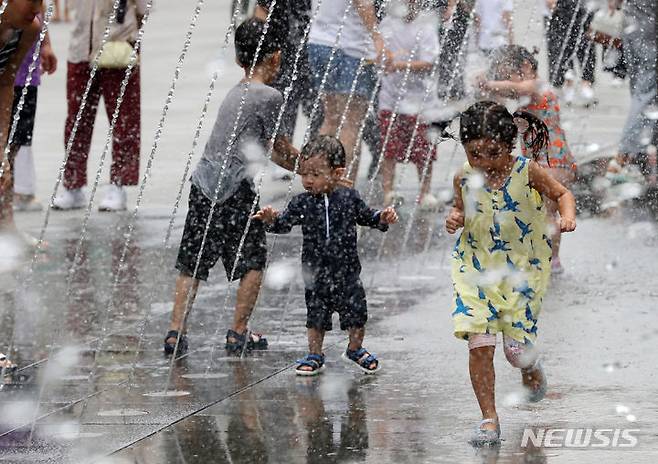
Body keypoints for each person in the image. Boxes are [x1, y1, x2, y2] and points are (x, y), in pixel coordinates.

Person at [164, 18, 299, 356]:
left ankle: (175, 331)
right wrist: (313, 169)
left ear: (239, 60)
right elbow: (279, 149)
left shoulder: (235, 91)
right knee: (254, 258)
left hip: (203, 182)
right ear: (276, 57)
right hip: (235, 187)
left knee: (192, 260)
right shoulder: (269, 95)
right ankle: (238, 331)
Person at [445, 101, 576, 446]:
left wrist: (566, 216)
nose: (485, 163)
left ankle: (530, 367)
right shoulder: (463, 176)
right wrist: (454, 218)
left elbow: (562, 194)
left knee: (515, 352)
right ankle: (489, 418)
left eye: (493, 153)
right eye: (475, 154)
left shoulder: (527, 170)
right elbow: (459, 208)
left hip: (523, 272)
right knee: (479, 344)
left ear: (509, 145)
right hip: (475, 269)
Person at [254, 135, 398, 376]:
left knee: (356, 314)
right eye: (304, 174)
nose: (308, 180)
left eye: (316, 174)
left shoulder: (349, 198)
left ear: (338, 173)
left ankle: (355, 348)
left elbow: (367, 216)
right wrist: (271, 221)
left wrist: (381, 218)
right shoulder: (301, 203)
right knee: (316, 316)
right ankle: (315, 353)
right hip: (316, 273)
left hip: (348, 273)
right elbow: (284, 224)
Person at [479, 45, 576, 274]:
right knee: (540, 212)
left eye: (507, 75)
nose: (505, 81)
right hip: (548, 160)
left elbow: (521, 87)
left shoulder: (538, 86)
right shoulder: (527, 95)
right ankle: (548, 260)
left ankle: (550, 261)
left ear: (525, 68)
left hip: (552, 161)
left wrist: (490, 84)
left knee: (547, 212)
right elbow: (503, 97)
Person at [53, 0, 146, 212]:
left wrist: (132, 36)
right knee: (76, 120)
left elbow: (143, 8)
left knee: (124, 120)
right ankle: (73, 185)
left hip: (118, 46)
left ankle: (119, 184)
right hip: (80, 48)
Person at [307, 0, 391, 181]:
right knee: (351, 124)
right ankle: (343, 190)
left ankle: (318, 182)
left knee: (331, 119)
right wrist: (377, 38)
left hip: (319, 43)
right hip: (350, 48)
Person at [378, 0, 441, 209]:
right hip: (390, 98)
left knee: (424, 151)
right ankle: (389, 192)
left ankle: (425, 193)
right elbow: (377, 55)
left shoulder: (426, 26)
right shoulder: (387, 24)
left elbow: (429, 63)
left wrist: (398, 63)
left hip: (421, 101)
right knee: (389, 150)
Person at [0, 1, 54, 235]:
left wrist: (0, 150)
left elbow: (4, 85)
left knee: (8, 158)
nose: (38, 8)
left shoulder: (29, 29)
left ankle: (6, 226)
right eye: (33, 0)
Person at [13, 29, 59, 212]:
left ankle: (23, 190)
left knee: (23, 133)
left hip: (25, 71)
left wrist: (46, 44)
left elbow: (38, 8)